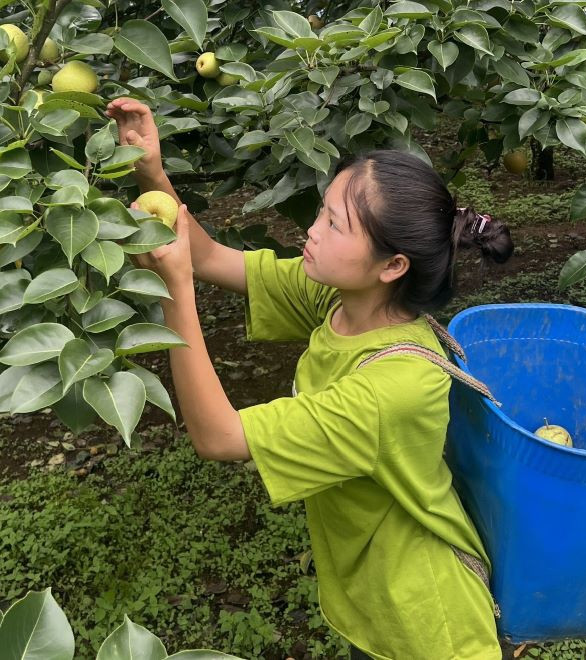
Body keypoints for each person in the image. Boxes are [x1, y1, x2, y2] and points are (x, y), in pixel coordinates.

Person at [105, 97, 513, 660]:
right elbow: (212, 257)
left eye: (334, 224)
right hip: (376, 610)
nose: (313, 232)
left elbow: (219, 437)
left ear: (392, 265)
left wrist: (175, 292)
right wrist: (150, 170)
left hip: (430, 626)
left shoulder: (395, 387)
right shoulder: (342, 298)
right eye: (322, 212)